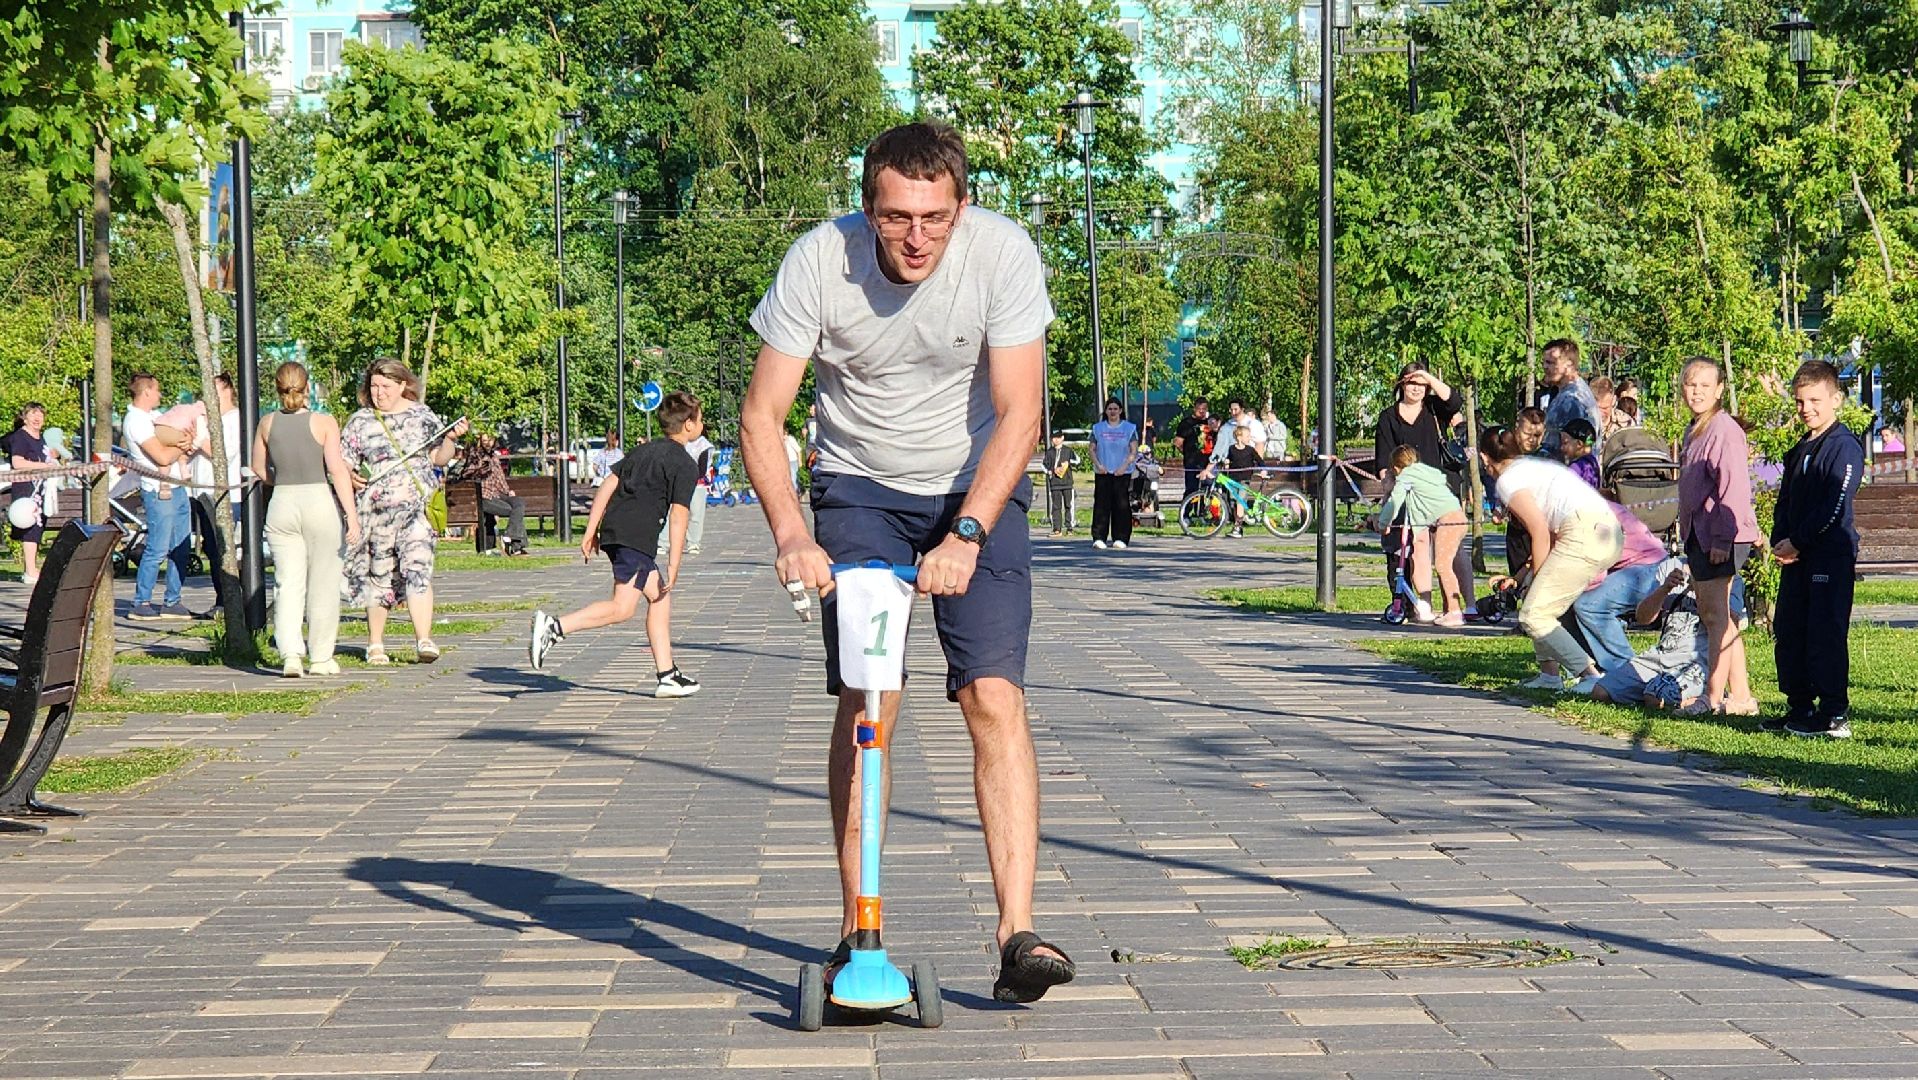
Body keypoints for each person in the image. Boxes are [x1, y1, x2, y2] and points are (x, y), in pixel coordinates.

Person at [737, 121, 1073, 1004]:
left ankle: (1018, 933)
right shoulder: (818, 262)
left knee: (993, 697)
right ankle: (861, 928)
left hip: (977, 484)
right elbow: (762, 416)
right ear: (867, 210)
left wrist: (966, 534)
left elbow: (1019, 414)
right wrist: (790, 534)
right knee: (868, 696)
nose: (916, 237)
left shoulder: (1002, 255)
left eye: (933, 216)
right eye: (895, 218)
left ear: (961, 206)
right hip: (860, 489)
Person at [527, 392, 702, 698]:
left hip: (618, 529)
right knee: (622, 608)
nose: (702, 425)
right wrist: (675, 562)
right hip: (636, 537)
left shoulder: (642, 451)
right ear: (688, 425)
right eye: (700, 420)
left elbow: (609, 483)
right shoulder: (685, 464)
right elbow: (679, 515)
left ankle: (668, 674)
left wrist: (591, 528)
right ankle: (554, 628)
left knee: (659, 596)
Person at [339, 358, 467, 665]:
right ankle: (375, 643)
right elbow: (342, 462)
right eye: (374, 386)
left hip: (416, 510)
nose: (379, 393)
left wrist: (450, 440)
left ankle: (424, 638)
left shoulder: (422, 416)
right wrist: (348, 476)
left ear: (402, 385)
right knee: (380, 575)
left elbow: (438, 458)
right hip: (376, 513)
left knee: (418, 569)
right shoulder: (360, 421)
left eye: (385, 386)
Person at [1481, 426, 1620, 694]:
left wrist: (1537, 578)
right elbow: (1551, 531)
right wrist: (1524, 576)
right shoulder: (1533, 466)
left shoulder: (1508, 480)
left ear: (1486, 459)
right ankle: (1549, 675)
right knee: (1540, 598)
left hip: (1584, 531)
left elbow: (1540, 532)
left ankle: (1590, 675)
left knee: (1534, 614)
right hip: (1605, 531)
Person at [1767, 360, 1865, 739]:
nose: (1806, 408)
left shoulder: (1843, 448)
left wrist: (1800, 540)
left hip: (1828, 556)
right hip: (1796, 558)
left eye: (1814, 400)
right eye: (1800, 401)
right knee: (1790, 630)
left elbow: (1835, 505)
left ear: (1835, 399)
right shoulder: (1800, 449)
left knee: (1825, 633)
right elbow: (1785, 502)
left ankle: (1834, 713)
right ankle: (1800, 707)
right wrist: (1781, 540)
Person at [253, 362, 361, 678]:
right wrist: (351, 517)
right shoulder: (324, 423)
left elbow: (259, 469)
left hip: (283, 503)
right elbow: (338, 471)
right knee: (324, 583)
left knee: (287, 583)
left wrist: (277, 479)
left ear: (277, 388)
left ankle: (290, 654)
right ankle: (321, 657)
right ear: (308, 387)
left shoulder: (267, 423)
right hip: (318, 502)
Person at [1675, 355, 1760, 717]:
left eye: (1705, 386)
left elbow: (1734, 490)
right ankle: (1741, 698)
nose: (1696, 392)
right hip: (1701, 533)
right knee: (1722, 616)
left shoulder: (1723, 430)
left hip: (1720, 534)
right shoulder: (1696, 428)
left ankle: (1710, 698)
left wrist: (1723, 540)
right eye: (1691, 384)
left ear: (1720, 390)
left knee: (1714, 618)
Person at [1374, 362, 1474, 614]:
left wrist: (1428, 378)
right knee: (1414, 547)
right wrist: (1389, 494)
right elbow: (1383, 460)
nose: (1416, 388)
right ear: (1401, 385)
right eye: (1411, 382)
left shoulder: (1433, 409)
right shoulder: (1388, 417)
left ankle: (1467, 604)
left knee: (1450, 548)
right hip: (1407, 491)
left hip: (1440, 489)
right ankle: (1418, 604)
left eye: (1421, 384)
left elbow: (1454, 401)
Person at [123, 373, 199, 621]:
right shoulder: (136, 421)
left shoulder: (154, 417)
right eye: (156, 390)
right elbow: (162, 457)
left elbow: (176, 442)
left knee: (181, 546)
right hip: (158, 491)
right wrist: (181, 446)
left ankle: (172, 600)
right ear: (146, 392)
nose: (160, 395)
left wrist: (184, 442)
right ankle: (141, 601)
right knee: (158, 547)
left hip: (177, 488)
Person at [1569, 501, 1671, 675]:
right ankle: (1590, 668)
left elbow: (1597, 569)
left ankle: (1626, 671)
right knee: (1575, 600)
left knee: (1589, 605)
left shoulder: (1587, 514)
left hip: (1648, 567)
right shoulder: (1587, 504)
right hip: (1643, 563)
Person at [1592, 561, 1710, 711]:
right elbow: (1643, 618)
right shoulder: (1670, 566)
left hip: (1695, 662)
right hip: (1660, 655)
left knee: (1655, 698)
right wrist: (1664, 589)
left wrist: (1703, 591)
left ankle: (1700, 695)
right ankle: (1660, 689)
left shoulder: (1727, 578)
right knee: (1601, 692)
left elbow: (1730, 627)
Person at [1374, 444, 1468, 624]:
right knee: (1442, 563)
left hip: (1448, 520)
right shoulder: (1428, 472)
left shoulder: (1406, 476)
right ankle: (1444, 609)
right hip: (1456, 516)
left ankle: (1455, 612)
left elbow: (1395, 501)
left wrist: (1384, 523)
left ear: (1395, 468)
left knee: (1442, 565)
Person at [3, 403, 52, 586]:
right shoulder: (21, 437)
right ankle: (31, 571)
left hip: (41, 488)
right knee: (30, 528)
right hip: (27, 489)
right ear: (24, 417)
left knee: (38, 527)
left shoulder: (41, 438)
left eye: (40, 414)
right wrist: (44, 467)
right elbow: (17, 462)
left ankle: (31, 568)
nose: (37, 417)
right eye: (33, 414)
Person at [458, 433, 528, 556]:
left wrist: (508, 492)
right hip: (484, 496)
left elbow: (500, 478)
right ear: (479, 441)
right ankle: (516, 547)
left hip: (498, 493)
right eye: (484, 440)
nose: (487, 443)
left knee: (518, 503)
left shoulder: (494, 456)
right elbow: (467, 474)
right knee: (513, 510)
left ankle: (509, 536)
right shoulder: (475, 457)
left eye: (490, 440)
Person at [1199, 422, 1266, 539]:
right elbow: (1227, 458)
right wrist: (1225, 462)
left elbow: (1260, 461)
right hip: (1233, 479)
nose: (1249, 438)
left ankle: (1237, 527)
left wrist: (1263, 470)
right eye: (1247, 436)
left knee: (1240, 501)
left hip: (1244, 480)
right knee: (1235, 502)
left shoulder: (1250, 450)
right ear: (1239, 437)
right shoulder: (1231, 449)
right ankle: (1238, 526)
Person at [1089, 398, 1137, 550]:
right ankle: (1099, 537)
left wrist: (1124, 466)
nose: (1113, 412)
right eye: (1110, 409)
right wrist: (1098, 465)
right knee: (1101, 505)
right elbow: (1091, 449)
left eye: (1115, 409)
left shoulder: (1129, 428)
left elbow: (1133, 451)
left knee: (1121, 505)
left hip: (1122, 473)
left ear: (1120, 411)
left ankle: (1121, 537)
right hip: (1103, 471)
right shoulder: (1098, 428)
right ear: (1106, 411)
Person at [1539, 338, 1601, 458]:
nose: (1545, 367)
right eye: (1544, 362)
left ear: (1569, 365)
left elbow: (1575, 450)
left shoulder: (1572, 400)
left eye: (1550, 362)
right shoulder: (1572, 393)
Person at [1172, 398, 1213, 500]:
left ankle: (1202, 512)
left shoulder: (1210, 422)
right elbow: (1177, 442)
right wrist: (1187, 452)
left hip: (1207, 462)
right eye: (1199, 408)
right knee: (1191, 488)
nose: (1201, 411)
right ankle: (1186, 513)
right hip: (1192, 462)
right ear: (1194, 408)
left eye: (1204, 409)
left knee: (1207, 488)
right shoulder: (1186, 423)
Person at [1040, 430, 1076, 537]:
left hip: (1067, 483)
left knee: (1068, 505)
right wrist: (1051, 471)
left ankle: (1069, 528)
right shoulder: (1050, 452)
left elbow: (1077, 461)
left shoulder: (1068, 451)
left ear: (1062, 438)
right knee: (1056, 507)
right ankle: (1057, 529)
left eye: (1058, 437)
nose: (1056, 440)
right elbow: (1044, 466)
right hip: (1055, 483)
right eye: (1054, 438)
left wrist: (1068, 463)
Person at [683, 428, 713, 555]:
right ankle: (663, 543)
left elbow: (702, 468)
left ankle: (693, 542)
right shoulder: (681, 441)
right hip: (679, 482)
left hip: (697, 484)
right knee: (671, 513)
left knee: (696, 514)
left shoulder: (704, 445)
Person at [1557, 417, 1601, 488]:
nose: (1561, 448)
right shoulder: (1593, 463)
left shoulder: (1576, 467)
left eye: (1565, 443)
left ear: (1579, 444)